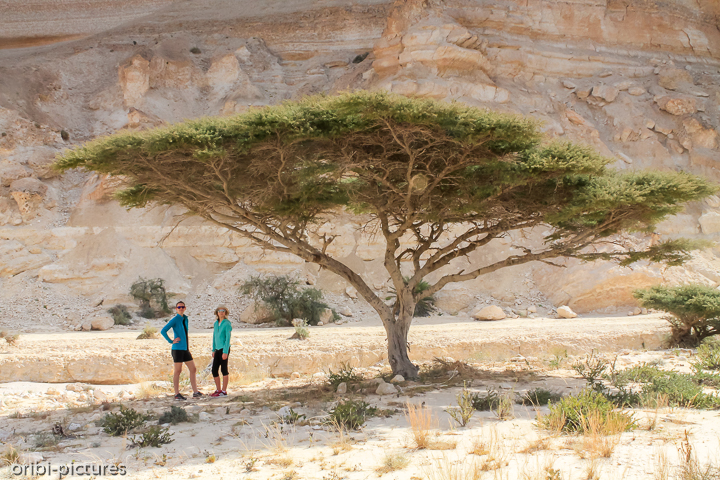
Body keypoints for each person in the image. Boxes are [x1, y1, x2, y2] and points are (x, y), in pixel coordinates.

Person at [160, 301, 203, 400]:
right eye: (179, 307)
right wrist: (171, 341)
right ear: (176, 309)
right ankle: (177, 394)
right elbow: (163, 330)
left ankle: (195, 391)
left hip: (185, 349)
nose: (181, 308)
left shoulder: (185, 318)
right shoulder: (175, 319)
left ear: (185, 308)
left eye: (182, 307)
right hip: (177, 349)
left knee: (193, 369)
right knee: (178, 371)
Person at [210, 305, 233, 397]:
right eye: (219, 311)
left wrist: (225, 351)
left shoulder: (227, 323)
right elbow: (214, 337)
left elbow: (228, 338)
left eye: (223, 311)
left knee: (224, 369)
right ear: (217, 313)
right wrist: (213, 349)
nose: (221, 312)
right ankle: (218, 389)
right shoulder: (216, 324)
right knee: (214, 370)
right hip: (217, 349)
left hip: (224, 349)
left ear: (225, 312)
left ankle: (224, 391)